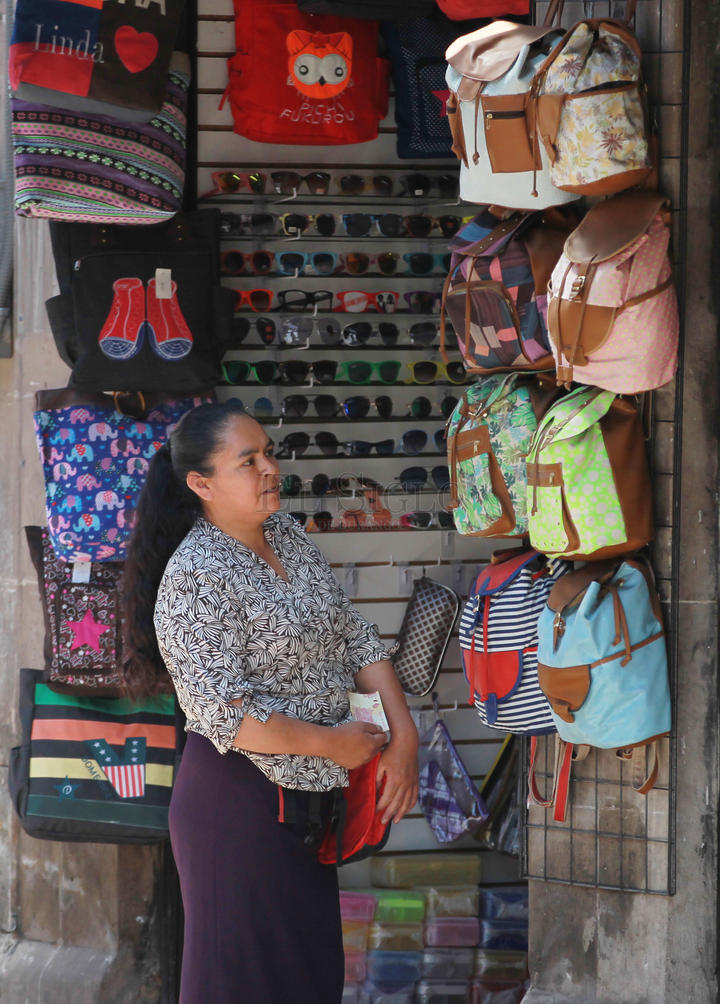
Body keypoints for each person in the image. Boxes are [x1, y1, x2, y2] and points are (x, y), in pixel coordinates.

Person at [122, 399, 419, 1004]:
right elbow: (222, 711)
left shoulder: (285, 534)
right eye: (248, 459)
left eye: (270, 453)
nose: (270, 469)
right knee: (239, 983)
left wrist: (403, 736)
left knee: (308, 980)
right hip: (238, 804)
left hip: (310, 805)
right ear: (201, 484)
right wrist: (332, 743)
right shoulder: (195, 574)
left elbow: (353, 634)